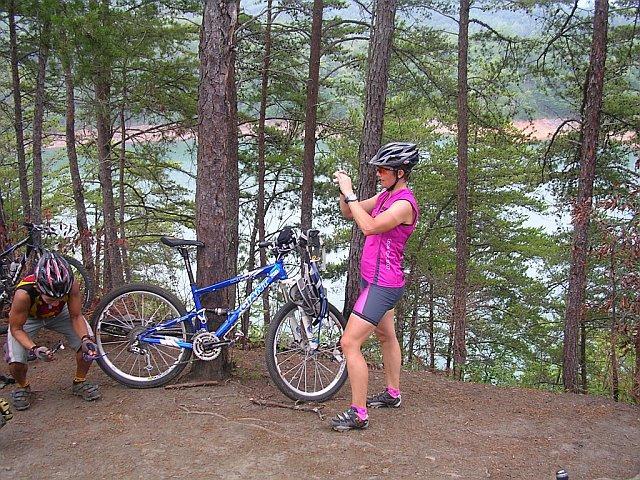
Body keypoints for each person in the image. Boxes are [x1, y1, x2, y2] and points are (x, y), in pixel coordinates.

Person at [331, 142, 420, 431]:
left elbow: (368, 226)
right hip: (376, 280)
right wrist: (346, 193)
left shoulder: (404, 204)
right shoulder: (386, 195)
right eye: (379, 169)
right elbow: (350, 213)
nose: (379, 173)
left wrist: (352, 194)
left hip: (384, 284)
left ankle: (359, 414)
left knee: (349, 342)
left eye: (384, 169)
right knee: (386, 336)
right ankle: (393, 394)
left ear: (401, 172)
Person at [5, 252, 100, 411]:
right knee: (16, 360)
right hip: (29, 318)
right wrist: (34, 349)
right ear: (38, 287)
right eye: (50, 298)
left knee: (88, 345)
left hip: (60, 315)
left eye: (60, 296)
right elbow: (16, 328)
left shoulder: (71, 285)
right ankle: (23, 387)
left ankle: (80, 382)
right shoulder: (23, 293)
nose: (55, 301)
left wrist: (85, 339)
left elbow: (76, 316)